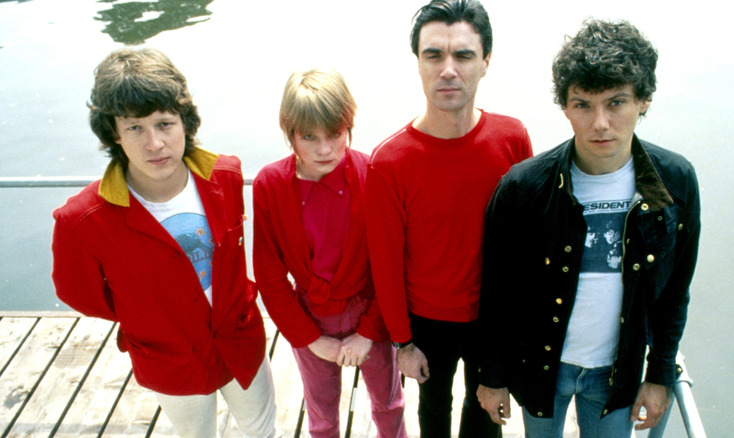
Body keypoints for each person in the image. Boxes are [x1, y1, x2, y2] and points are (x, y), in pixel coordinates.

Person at [477, 19, 701, 438]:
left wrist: (661, 375)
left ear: (644, 101)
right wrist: (493, 376)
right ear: (564, 105)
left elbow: (675, 292)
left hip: (619, 371)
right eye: (583, 104)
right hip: (542, 366)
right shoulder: (523, 188)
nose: (600, 123)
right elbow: (496, 292)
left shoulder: (676, 182)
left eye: (616, 103)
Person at [51, 48, 276, 438]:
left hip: (241, 340)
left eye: (165, 123)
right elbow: (82, 296)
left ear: (185, 124)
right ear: (113, 134)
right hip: (169, 358)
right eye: (135, 127)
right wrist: (147, 315)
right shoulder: (81, 221)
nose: (154, 143)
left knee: (261, 428)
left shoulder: (225, 175)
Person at [365, 1, 533, 436]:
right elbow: (385, 262)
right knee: (433, 414)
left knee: (485, 422)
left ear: (486, 62)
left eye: (463, 55)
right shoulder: (390, 161)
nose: (448, 70)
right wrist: (402, 342)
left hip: (492, 318)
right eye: (433, 55)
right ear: (418, 63)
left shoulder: (511, 139)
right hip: (426, 321)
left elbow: (527, 243)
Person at [253, 69, 406, 438]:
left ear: (348, 127)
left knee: (389, 404)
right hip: (310, 314)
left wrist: (369, 332)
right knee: (321, 415)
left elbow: (391, 265)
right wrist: (308, 338)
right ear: (290, 133)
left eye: (335, 134)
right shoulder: (270, 185)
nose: (324, 149)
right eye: (309, 137)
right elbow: (270, 277)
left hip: (370, 309)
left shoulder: (374, 173)